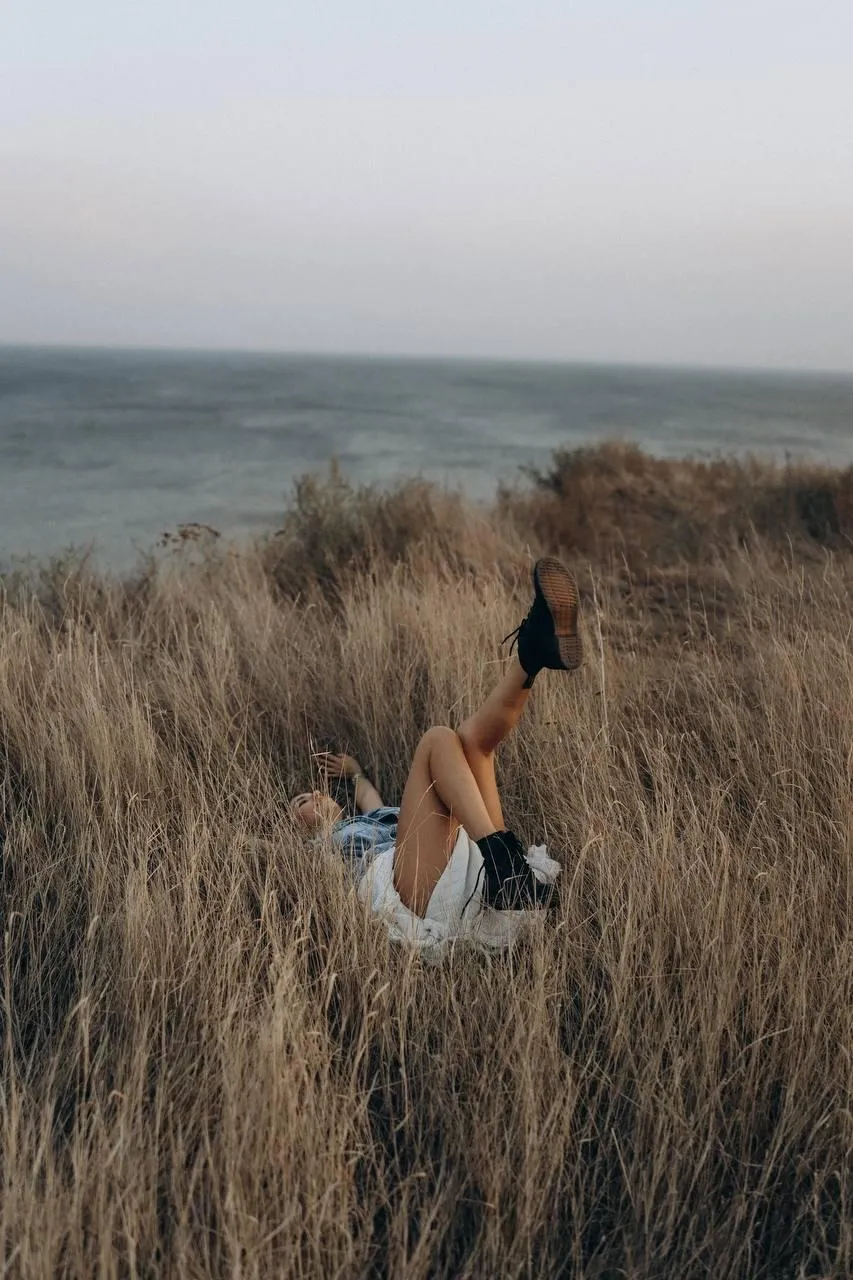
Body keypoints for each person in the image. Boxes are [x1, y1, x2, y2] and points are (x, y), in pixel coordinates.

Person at [291, 557, 582, 955]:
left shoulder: (371, 817)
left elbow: (366, 794)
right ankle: (505, 866)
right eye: (302, 801)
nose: (313, 795)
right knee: (438, 740)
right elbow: (260, 849)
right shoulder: (321, 849)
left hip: (464, 868)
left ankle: (532, 654)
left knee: (472, 742)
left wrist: (355, 774)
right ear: (299, 828)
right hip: (412, 891)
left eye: (312, 793)